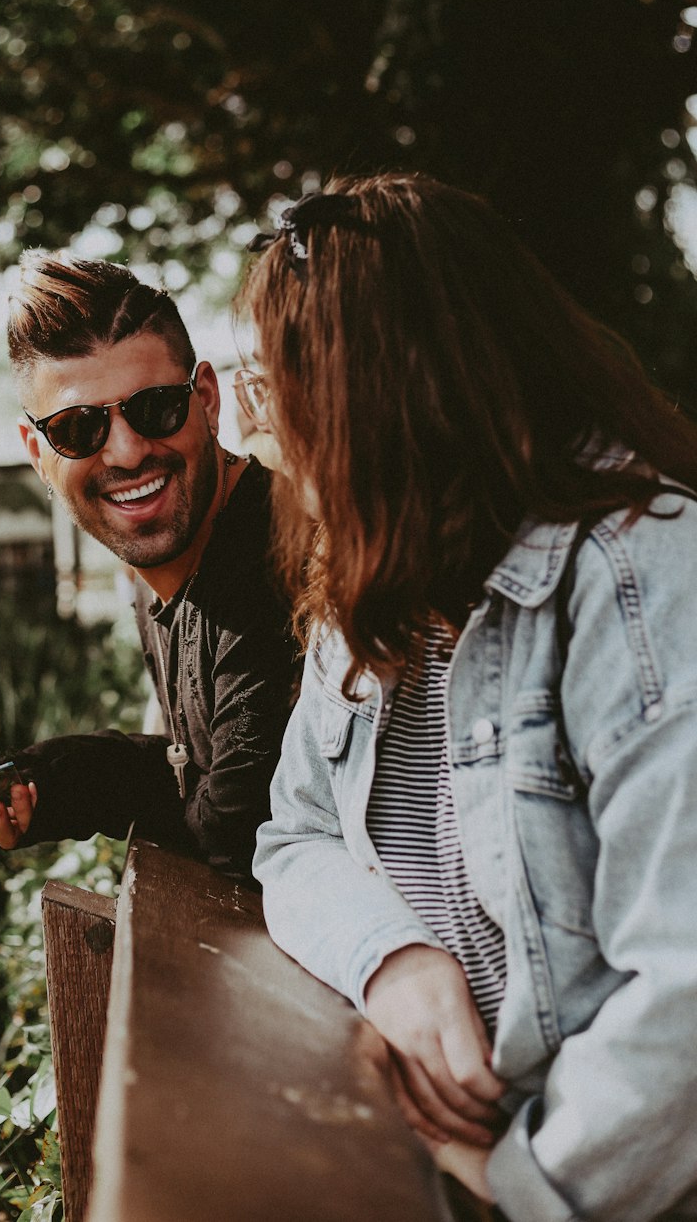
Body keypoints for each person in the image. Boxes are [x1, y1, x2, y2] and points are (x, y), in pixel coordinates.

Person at [242, 172, 697, 1221]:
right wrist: (391, 959)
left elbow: (684, 989)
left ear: (372, 393)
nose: (264, 433)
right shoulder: (372, 585)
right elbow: (293, 834)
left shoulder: (640, 578)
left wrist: (518, 1189)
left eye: (275, 390)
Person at [0, 253, 300, 878]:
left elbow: (236, 830)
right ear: (38, 454)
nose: (126, 451)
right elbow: (195, 773)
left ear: (206, 399)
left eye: (153, 408)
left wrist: (86, 788)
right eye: (78, 428)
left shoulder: (272, 566)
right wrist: (56, 781)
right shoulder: (178, 560)